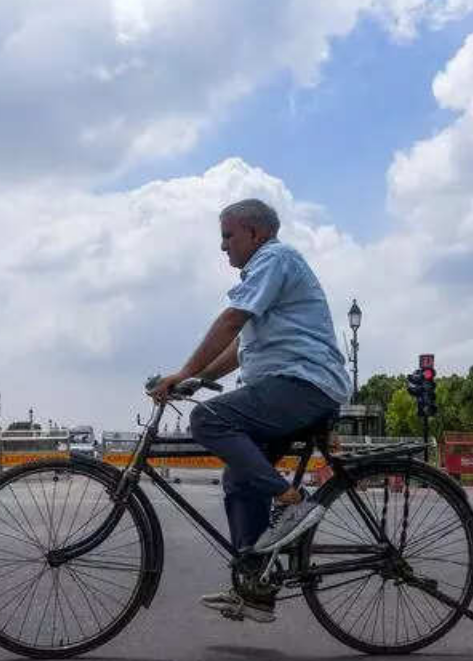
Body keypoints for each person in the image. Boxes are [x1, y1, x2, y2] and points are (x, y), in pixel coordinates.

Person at [148, 198, 351, 622]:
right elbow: (240, 350)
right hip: (288, 387)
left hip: (304, 386)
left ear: (254, 234)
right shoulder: (265, 272)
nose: (223, 246)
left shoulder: (274, 258)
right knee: (240, 476)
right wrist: (194, 380)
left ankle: (291, 501)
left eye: (227, 235)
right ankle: (255, 585)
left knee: (208, 419)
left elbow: (231, 322)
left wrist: (185, 368)